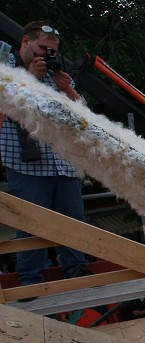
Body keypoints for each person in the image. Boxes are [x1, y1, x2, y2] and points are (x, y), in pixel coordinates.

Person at [1, 21, 88, 286]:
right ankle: (31, 285)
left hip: (65, 164)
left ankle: (79, 276)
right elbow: (6, 109)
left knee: (74, 224)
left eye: (52, 51)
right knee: (31, 226)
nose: (46, 56)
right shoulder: (7, 73)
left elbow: (86, 120)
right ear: (25, 41)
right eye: (42, 49)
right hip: (27, 164)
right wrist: (29, 79)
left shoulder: (58, 75)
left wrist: (69, 90)